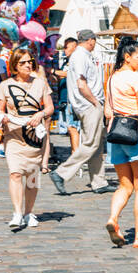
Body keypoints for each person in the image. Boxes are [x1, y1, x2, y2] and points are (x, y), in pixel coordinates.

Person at [0, 46, 54, 230]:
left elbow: (50, 107)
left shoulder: (41, 83)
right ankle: (17, 213)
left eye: (30, 62)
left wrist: (40, 114)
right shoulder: (5, 85)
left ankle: (29, 212)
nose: (28, 65)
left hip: (34, 137)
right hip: (13, 136)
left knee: (32, 178)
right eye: (23, 63)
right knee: (15, 173)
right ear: (15, 66)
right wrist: (1, 117)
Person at [104, 39, 138, 248]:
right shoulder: (136, 78)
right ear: (127, 57)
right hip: (136, 134)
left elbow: (107, 110)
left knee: (125, 184)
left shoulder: (112, 78)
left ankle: (113, 218)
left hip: (115, 134)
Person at [51, 29, 109, 195]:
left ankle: (99, 182)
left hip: (87, 103)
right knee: (91, 143)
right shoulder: (81, 56)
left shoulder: (82, 56)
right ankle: (61, 173)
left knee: (96, 144)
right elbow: (81, 83)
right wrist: (95, 102)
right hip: (88, 104)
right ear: (91, 40)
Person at [56, 36, 81, 156]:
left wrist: (53, 71)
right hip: (64, 98)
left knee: (73, 128)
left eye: (67, 47)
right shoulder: (66, 61)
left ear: (75, 47)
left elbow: (69, 74)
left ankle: (76, 154)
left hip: (72, 99)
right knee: (70, 129)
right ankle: (74, 152)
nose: (64, 49)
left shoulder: (76, 61)